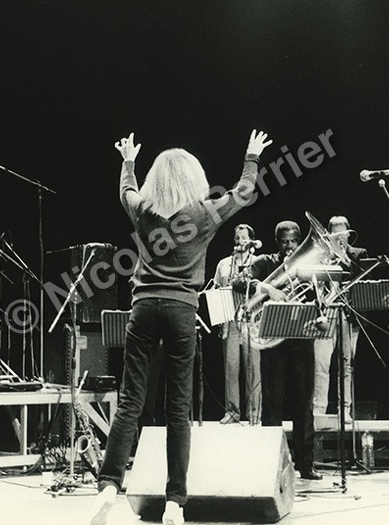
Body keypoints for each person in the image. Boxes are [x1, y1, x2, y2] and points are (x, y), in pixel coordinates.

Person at [89, 130, 272, 525]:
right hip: (182, 309)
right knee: (177, 408)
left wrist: (128, 162)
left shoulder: (143, 211)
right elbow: (243, 191)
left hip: (143, 308)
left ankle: (108, 484)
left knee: (131, 402)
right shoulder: (204, 214)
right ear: (194, 179)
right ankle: (175, 501)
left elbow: (126, 192)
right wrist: (252, 155)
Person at [232, 220, 322, 481]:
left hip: (301, 338)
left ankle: (306, 465)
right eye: (285, 242)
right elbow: (239, 281)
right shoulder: (265, 262)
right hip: (273, 340)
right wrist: (267, 287)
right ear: (277, 242)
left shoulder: (308, 265)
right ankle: (271, 463)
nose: (291, 246)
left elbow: (317, 294)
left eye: (295, 241)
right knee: (272, 404)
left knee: (304, 404)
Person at [313, 216, 367, 421]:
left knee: (347, 364)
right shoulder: (320, 257)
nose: (340, 239)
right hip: (326, 313)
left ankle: (345, 410)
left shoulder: (358, 254)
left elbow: (362, 278)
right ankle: (319, 410)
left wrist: (344, 260)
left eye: (343, 234)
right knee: (321, 364)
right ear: (328, 236)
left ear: (348, 234)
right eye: (335, 235)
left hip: (348, 314)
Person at [213, 223, 261, 425]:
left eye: (244, 237)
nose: (240, 241)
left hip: (251, 321)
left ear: (250, 239)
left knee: (253, 368)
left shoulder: (258, 261)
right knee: (231, 368)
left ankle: (254, 413)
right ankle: (232, 412)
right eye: (237, 238)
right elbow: (216, 288)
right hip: (231, 320)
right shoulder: (224, 264)